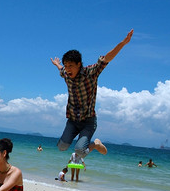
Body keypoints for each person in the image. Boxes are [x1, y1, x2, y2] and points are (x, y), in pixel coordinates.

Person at [51, 29, 133, 162]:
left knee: (80, 151)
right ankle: (80, 141)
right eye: (66, 66)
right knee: (61, 146)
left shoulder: (91, 73)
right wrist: (58, 64)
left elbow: (106, 58)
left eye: (70, 66)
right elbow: (61, 70)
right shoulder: (66, 74)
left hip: (88, 121)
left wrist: (122, 44)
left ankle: (95, 144)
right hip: (72, 120)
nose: (67, 69)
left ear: (79, 64)